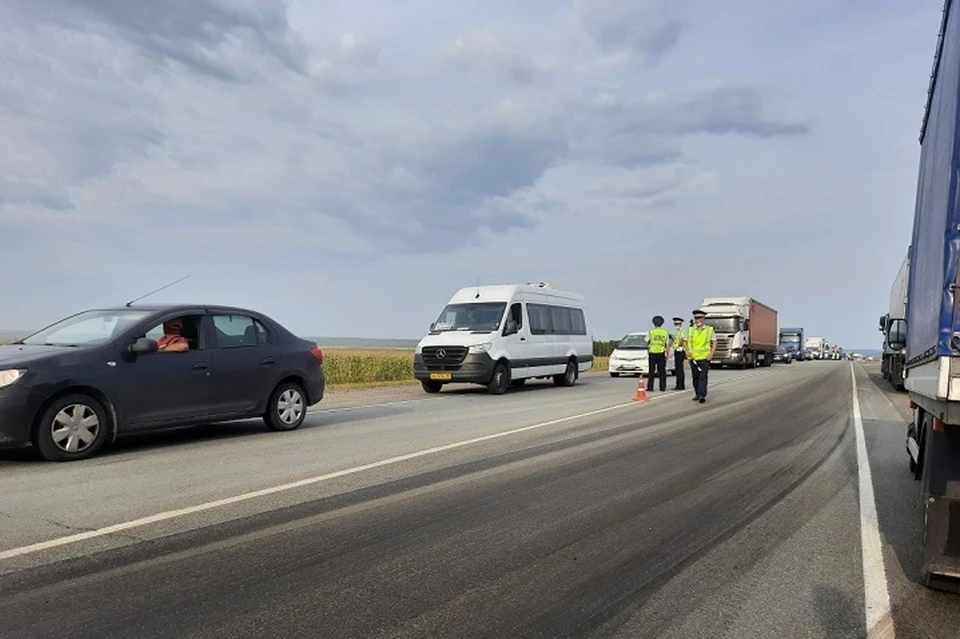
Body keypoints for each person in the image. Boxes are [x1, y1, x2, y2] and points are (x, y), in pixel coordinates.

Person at [684, 309, 716, 403]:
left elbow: (714, 342)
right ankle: (697, 394)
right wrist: (687, 351)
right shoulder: (690, 330)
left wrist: (711, 354)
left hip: (704, 358)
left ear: (703, 319)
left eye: (699, 318)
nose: (697, 320)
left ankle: (702, 394)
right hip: (693, 358)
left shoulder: (709, 330)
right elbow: (684, 342)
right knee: (695, 377)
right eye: (696, 318)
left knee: (703, 376)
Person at [647, 315, 669, 392]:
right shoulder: (665, 332)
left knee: (651, 371)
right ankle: (662, 387)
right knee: (662, 371)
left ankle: (650, 387)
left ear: (653, 323)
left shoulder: (651, 331)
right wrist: (667, 354)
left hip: (652, 353)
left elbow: (646, 340)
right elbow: (667, 344)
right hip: (661, 353)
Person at [671, 316, 687, 390]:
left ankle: (680, 385)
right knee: (678, 369)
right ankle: (679, 385)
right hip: (677, 350)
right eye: (675, 324)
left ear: (681, 324)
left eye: (677, 324)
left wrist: (678, 345)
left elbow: (682, 340)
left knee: (679, 369)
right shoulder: (678, 332)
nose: (676, 325)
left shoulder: (682, 331)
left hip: (680, 350)